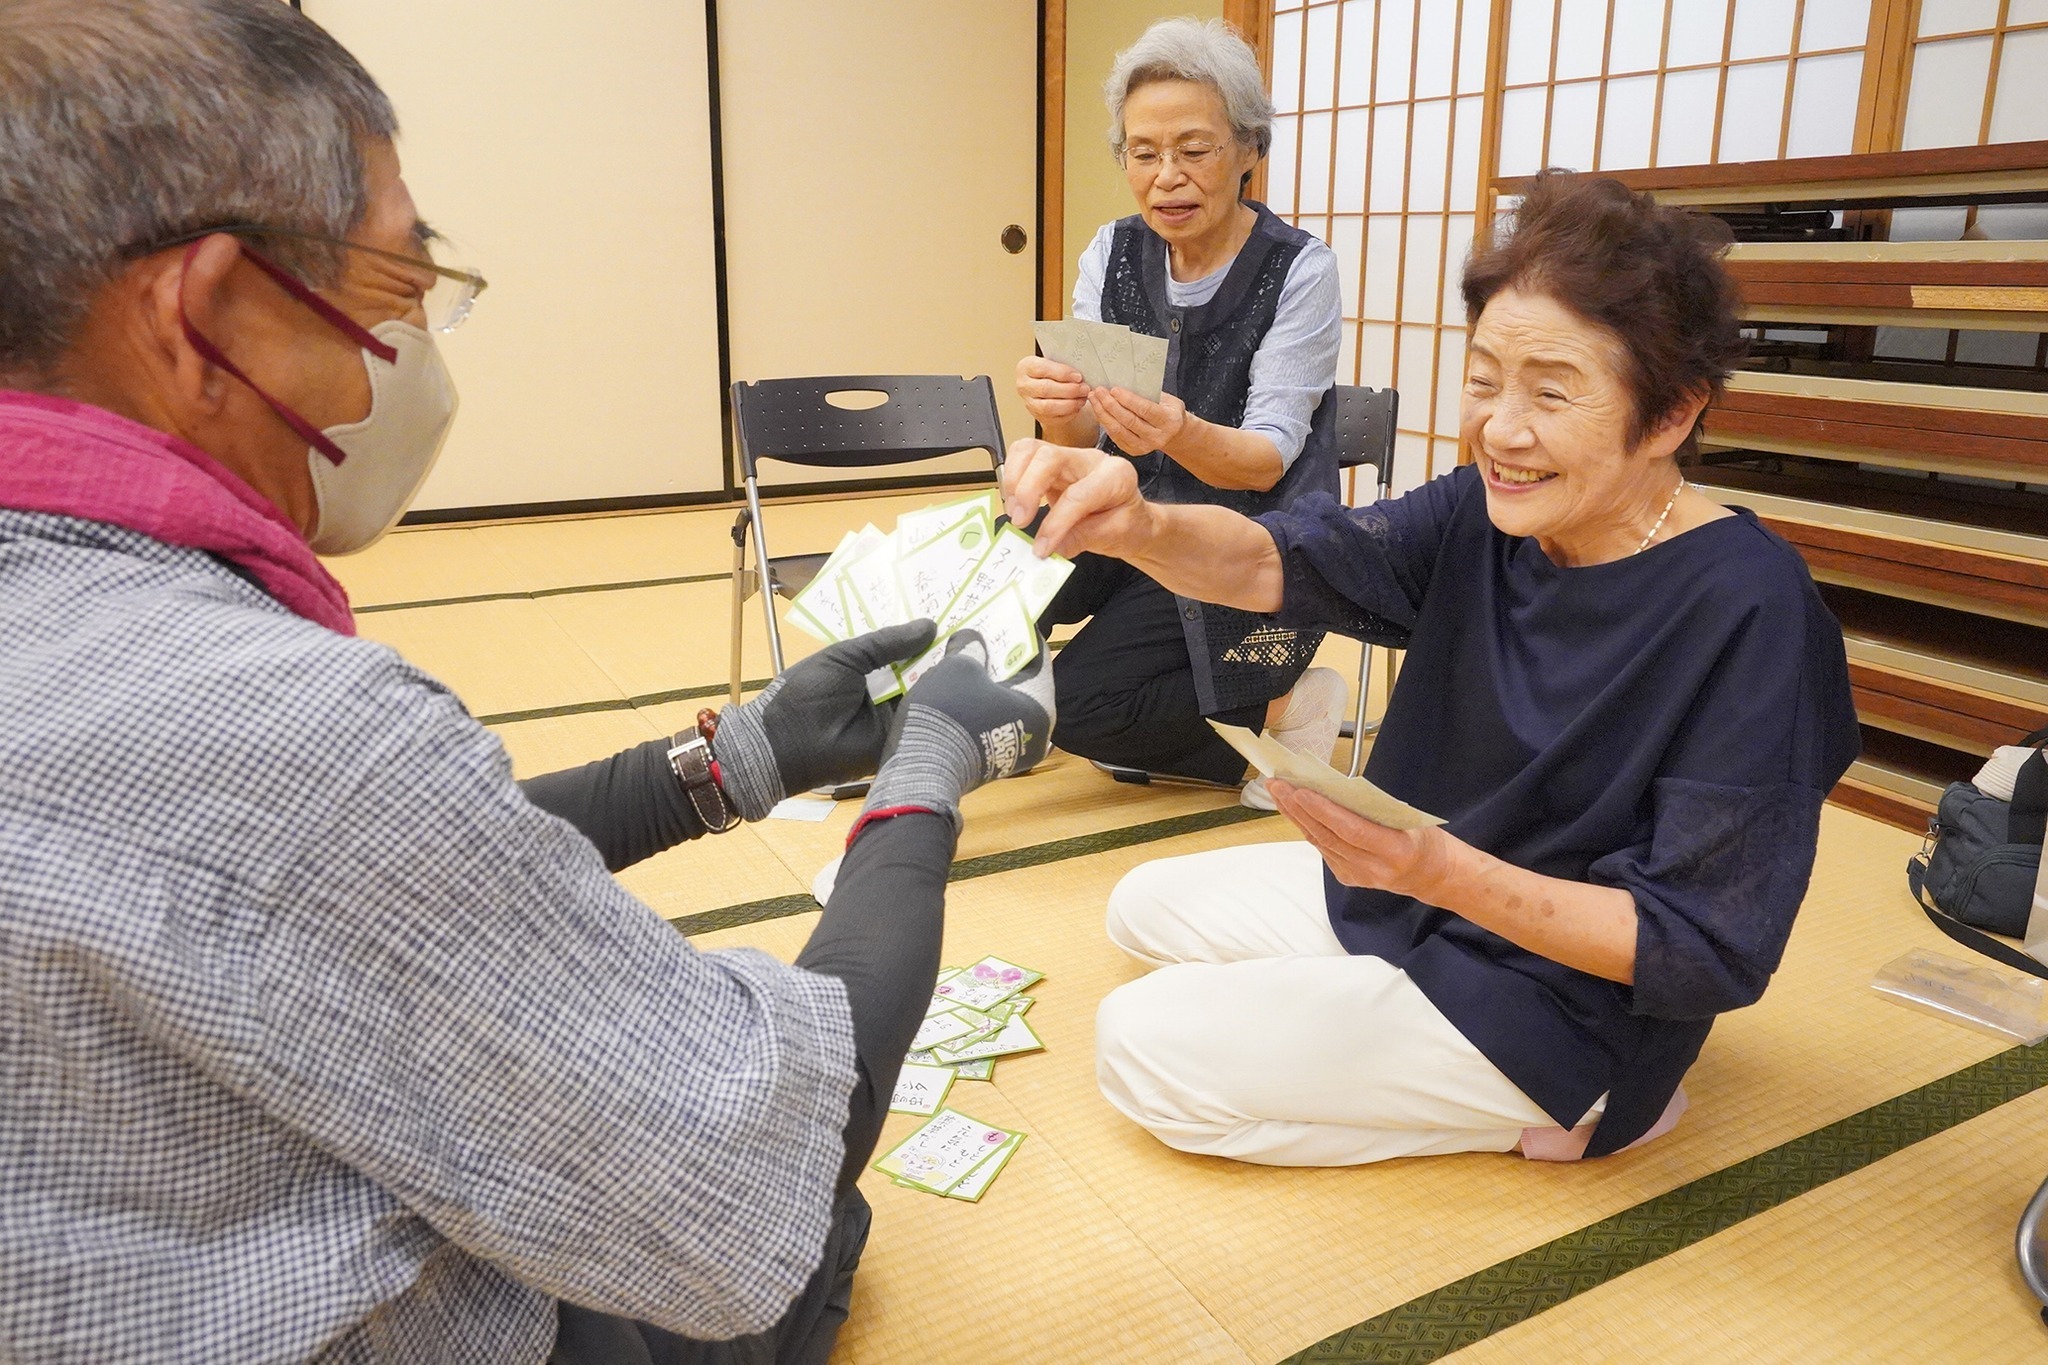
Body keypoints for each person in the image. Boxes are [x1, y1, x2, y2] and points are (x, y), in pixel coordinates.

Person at [0, 3, 1052, 1362]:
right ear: (206, 318)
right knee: (814, 1229)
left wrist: (741, 758)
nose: (413, 359)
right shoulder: (287, 726)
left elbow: (331, 889)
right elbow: (764, 1149)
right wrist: (929, 769)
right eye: (396, 291)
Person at [1005, 169, 1861, 1167]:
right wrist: (1138, 525)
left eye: (1551, 392)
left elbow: (1702, 943)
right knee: (1140, 906)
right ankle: (1384, 1007)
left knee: (1139, 1043)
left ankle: (1576, 1109)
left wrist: (1438, 872)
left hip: (1558, 998)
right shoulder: (1482, 512)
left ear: (1670, 414)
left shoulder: (1751, 609)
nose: (1500, 429)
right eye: (1484, 380)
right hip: (1423, 893)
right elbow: (1276, 560)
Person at [1015, 17, 1345, 808]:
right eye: (1144, 152)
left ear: (1248, 149)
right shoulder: (1111, 252)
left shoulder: (1299, 270)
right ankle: (1016, 717)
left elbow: (1267, 458)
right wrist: (1059, 412)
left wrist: (1183, 433)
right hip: (1124, 507)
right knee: (984, 586)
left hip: (1241, 535)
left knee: (1081, 705)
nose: (1167, 176)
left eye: (1194, 150)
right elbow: (1087, 437)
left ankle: (1284, 707)